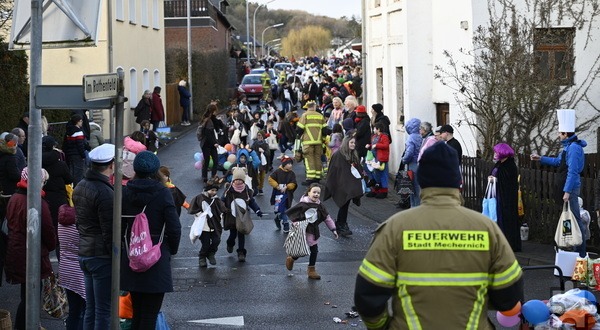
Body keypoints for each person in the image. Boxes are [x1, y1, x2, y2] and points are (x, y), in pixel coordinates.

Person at [354, 141, 524, 329]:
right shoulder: (486, 229)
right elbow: (510, 297)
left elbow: (367, 295)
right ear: (458, 181)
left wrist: (382, 326)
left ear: (422, 179)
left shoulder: (395, 228)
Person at [120, 151, 182, 329]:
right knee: (150, 314)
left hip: (132, 255)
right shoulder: (163, 193)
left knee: (137, 312)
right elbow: (174, 227)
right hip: (156, 254)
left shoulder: (125, 192)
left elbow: (118, 226)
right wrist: (170, 249)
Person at [531, 109, 587, 257]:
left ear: (566, 134)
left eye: (560, 133)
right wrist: (540, 159)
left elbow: (573, 171)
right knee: (573, 219)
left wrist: (567, 191)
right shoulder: (568, 147)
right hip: (568, 187)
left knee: (575, 220)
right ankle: (575, 254)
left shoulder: (573, 148)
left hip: (571, 188)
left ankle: (580, 256)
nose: (558, 135)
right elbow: (558, 162)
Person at [4, 167, 55, 330]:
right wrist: (52, 244)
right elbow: (48, 230)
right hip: (31, 255)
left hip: (15, 251)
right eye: (43, 181)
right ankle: (24, 326)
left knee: (26, 295)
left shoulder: (15, 197)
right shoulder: (37, 202)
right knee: (31, 298)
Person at [73, 143, 116, 330]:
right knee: (103, 311)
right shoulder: (105, 192)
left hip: (85, 252)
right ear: (112, 164)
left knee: (91, 308)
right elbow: (109, 231)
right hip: (101, 256)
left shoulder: (80, 186)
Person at [285, 183, 338, 279]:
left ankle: (311, 270)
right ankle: (292, 258)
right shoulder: (302, 204)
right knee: (300, 252)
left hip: (313, 231)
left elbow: (327, 218)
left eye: (318, 193)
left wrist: (333, 229)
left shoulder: (320, 206)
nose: (316, 194)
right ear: (308, 192)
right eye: (314, 192)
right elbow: (294, 216)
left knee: (314, 250)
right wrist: (296, 224)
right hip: (302, 231)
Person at [323, 132, 363, 237]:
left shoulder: (353, 154)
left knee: (346, 204)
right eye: (351, 143)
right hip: (341, 184)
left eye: (354, 143)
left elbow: (357, 169)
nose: (353, 145)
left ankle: (342, 223)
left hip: (349, 183)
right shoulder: (338, 155)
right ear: (346, 143)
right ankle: (341, 224)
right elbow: (334, 171)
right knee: (344, 203)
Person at [57, 188, 86, 330]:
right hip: (80, 272)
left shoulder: (62, 219)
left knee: (74, 311)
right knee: (85, 311)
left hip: (66, 271)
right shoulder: (81, 222)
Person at [221, 168, 263, 262]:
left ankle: (241, 252)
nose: (238, 181)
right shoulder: (229, 190)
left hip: (243, 217)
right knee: (233, 234)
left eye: (240, 179)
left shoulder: (247, 190)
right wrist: (222, 210)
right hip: (232, 217)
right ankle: (230, 243)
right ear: (233, 180)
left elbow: (251, 202)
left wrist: (257, 210)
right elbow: (221, 201)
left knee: (241, 234)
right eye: (236, 179)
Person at [41, 135, 73, 257]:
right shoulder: (60, 164)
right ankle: (62, 263)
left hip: (42, 198)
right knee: (60, 232)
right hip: (59, 200)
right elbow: (69, 179)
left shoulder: (36, 163)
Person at [489, 143, 521, 252]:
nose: (495, 154)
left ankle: (509, 244)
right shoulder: (499, 164)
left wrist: (495, 180)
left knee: (507, 220)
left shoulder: (509, 166)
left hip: (506, 198)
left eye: (496, 152)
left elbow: (506, 182)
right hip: (498, 196)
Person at [188, 183, 228, 267]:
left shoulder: (216, 200)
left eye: (215, 191)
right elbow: (193, 209)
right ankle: (202, 257)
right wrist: (200, 215)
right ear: (207, 190)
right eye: (212, 190)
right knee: (205, 244)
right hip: (204, 226)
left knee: (216, 240)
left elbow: (222, 209)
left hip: (215, 225)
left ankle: (211, 253)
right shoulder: (199, 198)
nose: (214, 192)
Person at [296, 101, 327, 185]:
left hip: (308, 142)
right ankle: (317, 177)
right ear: (315, 106)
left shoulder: (305, 115)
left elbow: (299, 129)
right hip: (319, 142)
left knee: (309, 159)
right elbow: (325, 130)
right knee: (317, 158)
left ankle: (310, 178)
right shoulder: (320, 116)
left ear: (307, 107)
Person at [268, 156, 297, 233]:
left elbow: (293, 183)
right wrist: (277, 186)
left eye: (291, 164)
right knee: (282, 209)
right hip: (278, 194)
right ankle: (285, 223)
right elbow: (271, 179)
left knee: (285, 209)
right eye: (289, 164)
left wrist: (287, 187)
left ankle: (278, 218)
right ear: (284, 164)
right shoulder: (278, 171)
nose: (291, 165)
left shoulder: (292, 173)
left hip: (287, 194)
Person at [198, 104, 225, 184]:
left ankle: (213, 176)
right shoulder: (208, 121)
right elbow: (208, 134)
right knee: (207, 161)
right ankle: (205, 177)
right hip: (206, 144)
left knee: (215, 160)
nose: (217, 112)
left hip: (211, 143)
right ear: (213, 111)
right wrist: (214, 143)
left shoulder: (212, 119)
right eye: (216, 110)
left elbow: (218, 127)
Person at [365, 122, 391, 199]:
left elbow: (386, 145)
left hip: (381, 158)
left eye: (374, 128)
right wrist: (369, 146)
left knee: (383, 174)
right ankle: (376, 190)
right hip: (374, 158)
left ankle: (384, 191)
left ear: (378, 129)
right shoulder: (374, 136)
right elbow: (373, 146)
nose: (373, 130)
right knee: (374, 173)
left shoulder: (384, 136)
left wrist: (377, 145)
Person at [403, 118, 423, 207]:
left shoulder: (411, 138)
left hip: (412, 164)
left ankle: (414, 207)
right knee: (418, 186)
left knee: (412, 188)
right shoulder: (420, 136)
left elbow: (409, 152)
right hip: (420, 163)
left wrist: (404, 160)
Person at [64, 114, 88, 185]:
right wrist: (83, 155)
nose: (82, 122)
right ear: (77, 122)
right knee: (79, 173)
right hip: (78, 155)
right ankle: (77, 188)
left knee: (72, 171)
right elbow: (80, 145)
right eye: (81, 121)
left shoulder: (69, 132)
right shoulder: (78, 132)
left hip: (70, 154)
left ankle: (71, 187)